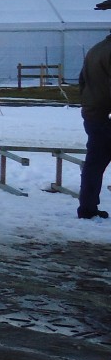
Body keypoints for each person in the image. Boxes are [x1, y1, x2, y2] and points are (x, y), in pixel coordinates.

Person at [77, 31, 111, 220]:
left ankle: (87, 207)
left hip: (94, 115)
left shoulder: (95, 50)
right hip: (106, 115)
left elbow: (82, 81)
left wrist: (89, 105)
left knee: (94, 165)